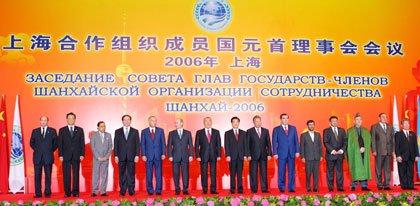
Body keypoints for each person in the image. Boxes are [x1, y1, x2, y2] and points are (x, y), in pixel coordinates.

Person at [58, 112, 85, 197]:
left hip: (77, 155)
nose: (71, 120)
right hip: (65, 156)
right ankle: (67, 192)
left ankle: (75, 192)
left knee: (76, 174)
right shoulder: (62, 130)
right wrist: (60, 155)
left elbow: (82, 143)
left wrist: (82, 154)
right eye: (69, 118)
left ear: (75, 119)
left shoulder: (80, 130)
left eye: (72, 118)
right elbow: (60, 144)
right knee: (66, 174)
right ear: (67, 119)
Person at [30, 116, 57, 198]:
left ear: (47, 121)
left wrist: (48, 150)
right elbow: (31, 143)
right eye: (42, 120)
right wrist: (38, 150)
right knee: (37, 176)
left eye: (45, 120)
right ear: (40, 121)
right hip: (37, 157)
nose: (43, 122)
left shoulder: (52, 131)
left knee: (48, 176)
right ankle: (38, 193)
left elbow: (55, 144)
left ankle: (47, 193)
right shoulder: (35, 131)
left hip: (48, 156)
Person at [114, 114, 140, 196]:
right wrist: (116, 155)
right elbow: (116, 144)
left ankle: (131, 190)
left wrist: (137, 155)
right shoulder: (117, 131)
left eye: (128, 119)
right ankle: (123, 190)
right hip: (121, 156)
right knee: (121, 174)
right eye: (125, 119)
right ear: (122, 121)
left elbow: (137, 144)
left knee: (131, 174)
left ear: (130, 121)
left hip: (131, 156)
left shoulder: (135, 131)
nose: (126, 121)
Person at [273, 113, 299, 192]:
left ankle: (291, 188)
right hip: (281, 153)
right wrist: (275, 153)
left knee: (291, 171)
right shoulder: (276, 129)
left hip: (291, 153)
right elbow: (274, 142)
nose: (285, 119)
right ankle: (282, 187)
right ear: (281, 120)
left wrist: (297, 151)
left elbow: (296, 141)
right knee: (281, 171)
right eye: (283, 118)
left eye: (287, 118)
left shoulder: (293, 128)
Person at [195, 117, 221, 194]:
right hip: (203, 156)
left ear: (211, 122)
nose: (208, 123)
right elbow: (196, 145)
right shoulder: (199, 132)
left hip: (214, 155)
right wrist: (197, 156)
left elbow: (218, 144)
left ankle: (213, 189)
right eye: (206, 121)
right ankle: (205, 189)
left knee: (213, 172)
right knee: (204, 173)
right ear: (204, 123)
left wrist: (219, 155)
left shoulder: (216, 132)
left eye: (209, 121)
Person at [141, 116, 166, 195]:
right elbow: (142, 144)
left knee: (159, 174)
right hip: (148, 156)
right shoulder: (144, 131)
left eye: (155, 121)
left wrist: (164, 153)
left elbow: (163, 143)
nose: (154, 122)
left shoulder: (160, 130)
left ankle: (158, 190)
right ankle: (150, 190)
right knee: (149, 174)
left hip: (158, 155)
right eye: (152, 121)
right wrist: (143, 155)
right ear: (149, 121)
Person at [167, 118, 193, 195]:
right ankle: (177, 189)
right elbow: (169, 146)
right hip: (175, 156)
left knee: (185, 173)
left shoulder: (188, 133)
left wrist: (191, 155)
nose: (176, 124)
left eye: (177, 123)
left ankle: (185, 189)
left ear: (182, 123)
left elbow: (190, 145)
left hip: (185, 156)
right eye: (175, 123)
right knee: (176, 173)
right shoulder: (171, 133)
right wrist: (170, 155)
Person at [347, 113, 371, 191]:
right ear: (354, 121)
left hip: (364, 153)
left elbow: (368, 141)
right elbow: (349, 143)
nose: (358, 121)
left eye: (360, 119)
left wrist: (364, 148)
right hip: (354, 153)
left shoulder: (366, 130)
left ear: (361, 121)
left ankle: (364, 185)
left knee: (363, 168)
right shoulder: (350, 131)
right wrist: (357, 149)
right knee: (354, 167)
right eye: (357, 119)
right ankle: (353, 185)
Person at [247, 115, 272, 193]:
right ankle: (254, 188)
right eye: (257, 121)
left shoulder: (265, 131)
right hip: (253, 155)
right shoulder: (249, 131)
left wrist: (269, 154)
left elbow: (268, 143)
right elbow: (247, 144)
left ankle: (264, 188)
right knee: (253, 172)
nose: (258, 123)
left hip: (264, 154)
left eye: (259, 121)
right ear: (254, 122)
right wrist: (248, 154)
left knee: (264, 172)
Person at [370, 113, 394, 190]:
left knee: (387, 169)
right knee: (378, 168)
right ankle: (379, 184)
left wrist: (393, 150)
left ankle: (387, 184)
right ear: (379, 118)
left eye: (386, 117)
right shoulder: (374, 127)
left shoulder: (390, 127)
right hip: (379, 151)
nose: (384, 118)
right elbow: (373, 139)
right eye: (383, 117)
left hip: (389, 151)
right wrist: (374, 150)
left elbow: (393, 139)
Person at [323, 116, 347, 192]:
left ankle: (340, 187)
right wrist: (332, 150)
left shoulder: (342, 130)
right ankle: (331, 188)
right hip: (330, 155)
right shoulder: (326, 130)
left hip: (340, 154)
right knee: (330, 172)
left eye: (336, 121)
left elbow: (345, 141)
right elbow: (325, 142)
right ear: (330, 122)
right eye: (333, 121)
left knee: (340, 172)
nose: (335, 122)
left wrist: (342, 150)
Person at [224, 116, 247, 194]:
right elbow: (226, 145)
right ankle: (232, 189)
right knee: (232, 173)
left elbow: (245, 145)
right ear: (232, 123)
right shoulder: (227, 133)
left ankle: (240, 189)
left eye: (237, 122)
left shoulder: (244, 133)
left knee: (240, 174)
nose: (235, 123)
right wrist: (227, 155)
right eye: (234, 122)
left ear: (239, 123)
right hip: (232, 157)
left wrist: (245, 154)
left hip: (241, 156)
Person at [395, 118, 419, 190]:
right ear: (402, 125)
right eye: (405, 123)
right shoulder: (398, 134)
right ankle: (404, 186)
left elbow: (415, 145)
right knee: (403, 172)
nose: (407, 125)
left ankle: (410, 186)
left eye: (408, 123)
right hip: (402, 156)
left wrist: (417, 155)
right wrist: (398, 155)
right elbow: (396, 146)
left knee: (410, 172)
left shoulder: (412, 134)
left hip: (411, 156)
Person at [300, 120, 323, 192]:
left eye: (313, 124)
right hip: (308, 157)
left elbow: (320, 146)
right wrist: (302, 157)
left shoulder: (318, 134)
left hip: (317, 157)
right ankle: (308, 187)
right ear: (307, 126)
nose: (311, 126)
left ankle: (315, 187)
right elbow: (302, 147)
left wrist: (321, 155)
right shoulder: (303, 135)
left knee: (316, 173)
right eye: (310, 125)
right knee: (308, 174)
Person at [90, 121, 112, 197]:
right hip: (97, 159)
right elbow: (93, 147)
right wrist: (98, 157)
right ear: (98, 127)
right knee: (95, 175)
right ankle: (94, 191)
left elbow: (110, 147)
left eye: (104, 126)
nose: (103, 128)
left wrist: (106, 156)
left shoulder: (108, 135)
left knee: (104, 175)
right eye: (102, 126)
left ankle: (103, 191)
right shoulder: (93, 135)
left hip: (105, 159)